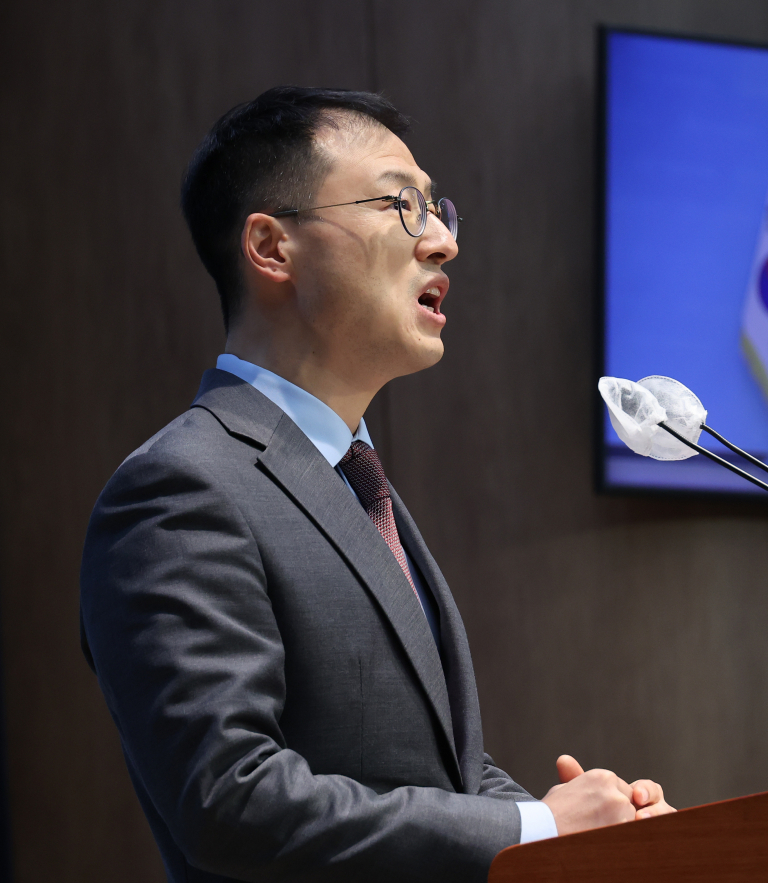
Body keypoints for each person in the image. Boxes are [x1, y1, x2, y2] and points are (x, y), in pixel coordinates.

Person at [80, 86, 672, 883]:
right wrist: (532, 826)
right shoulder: (181, 490)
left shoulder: (354, 481)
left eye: (439, 210)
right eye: (403, 204)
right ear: (271, 246)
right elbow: (230, 800)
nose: (442, 244)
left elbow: (432, 771)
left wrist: (589, 831)